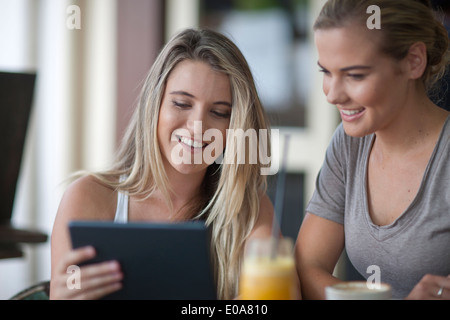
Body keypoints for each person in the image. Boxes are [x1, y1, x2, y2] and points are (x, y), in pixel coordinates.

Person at [50, 28, 288, 300]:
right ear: (155, 105)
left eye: (219, 112)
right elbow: (68, 285)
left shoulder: (249, 211)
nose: (198, 127)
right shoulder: (90, 198)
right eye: (181, 104)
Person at [296, 0, 450, 300]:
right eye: (326, 72)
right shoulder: (349, 143)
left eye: (355, 75)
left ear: (413, 61)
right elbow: (306, 266)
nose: (332, 94)